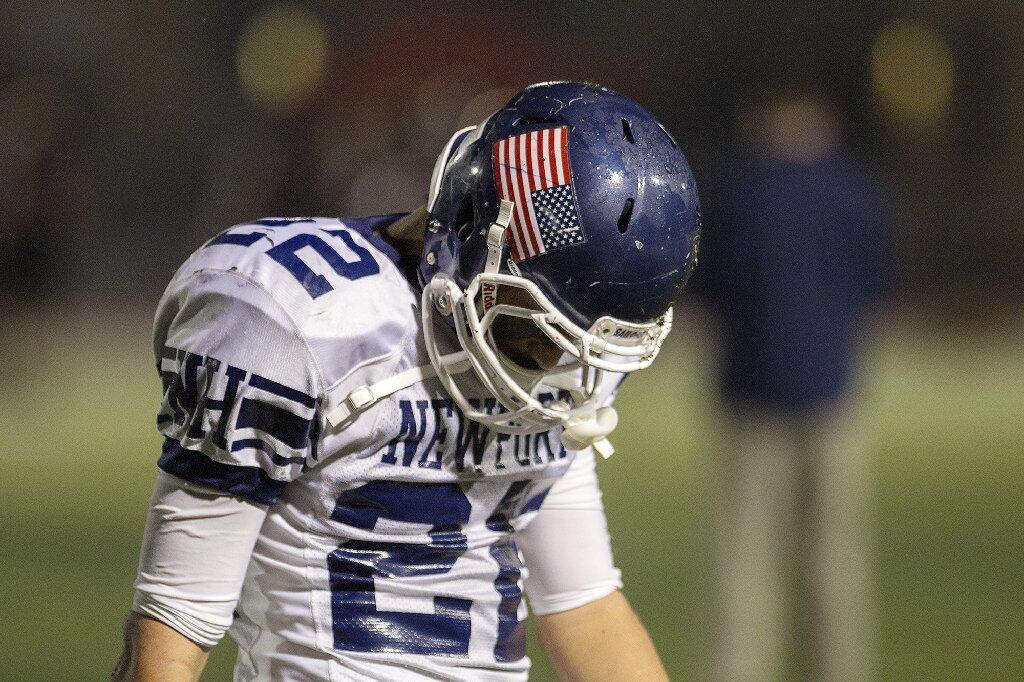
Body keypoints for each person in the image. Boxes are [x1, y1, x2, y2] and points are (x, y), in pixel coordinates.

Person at [114, 81, 702, 681]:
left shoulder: (570, 358)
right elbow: (175, 622)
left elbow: (586, 608)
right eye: (537, 329)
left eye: (574, 340)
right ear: (473, 235)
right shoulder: (297, 317)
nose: (554, 363)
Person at [693, 89, 888, 681]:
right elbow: (878, 286)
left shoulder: (743, 192)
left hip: (752, 394)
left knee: (745, 565)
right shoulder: (856, 192)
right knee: (834, 562)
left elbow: (710, 287)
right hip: (833, 392)